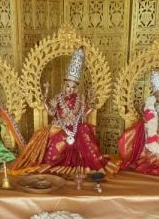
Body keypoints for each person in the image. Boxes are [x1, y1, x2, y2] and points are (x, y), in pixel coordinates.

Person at [9, 48, 117, 178]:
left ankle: (90, 166)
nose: (70, 89)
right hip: (61, 127)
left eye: (73, 87)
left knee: (85, 133)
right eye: (68, 86)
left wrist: (91, 102)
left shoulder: (80, 98)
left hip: (77, 128)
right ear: (64, 85)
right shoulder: (58, 98)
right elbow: (51, 112)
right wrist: (45, 98)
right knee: (54, 151)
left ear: (76, 88)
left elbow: (84, 115)